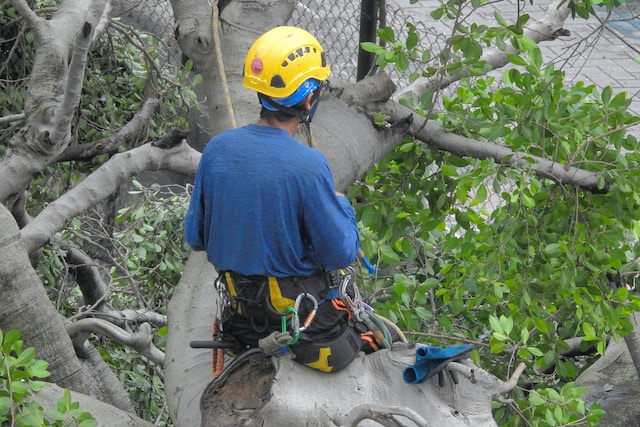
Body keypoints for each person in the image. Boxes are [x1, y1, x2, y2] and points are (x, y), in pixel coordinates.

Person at [184, 26, 393, 373]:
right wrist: (340, 205)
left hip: (240, 322)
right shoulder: (309, 166)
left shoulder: (218, 149)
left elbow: (196, 237)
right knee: (382, 343)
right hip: (306, 330)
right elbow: (340, 252)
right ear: (309, 99)